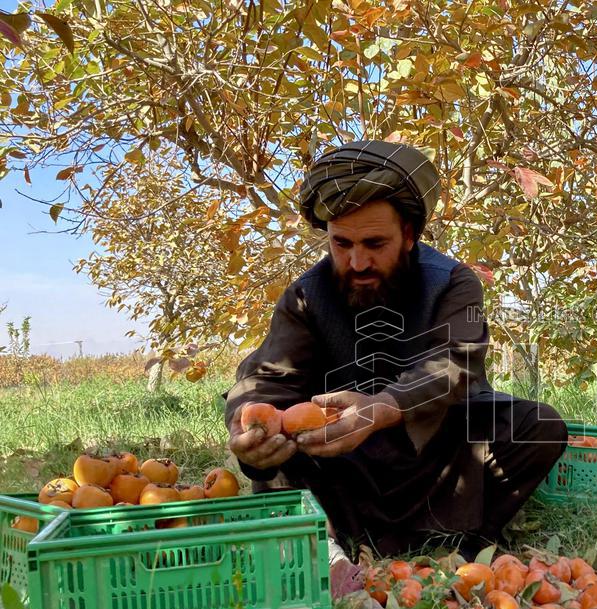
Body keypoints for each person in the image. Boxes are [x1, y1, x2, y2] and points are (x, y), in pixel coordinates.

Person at [223, 140, 567, 559]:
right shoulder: (306, 296)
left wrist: (381, 409)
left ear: (408, 235)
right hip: (342, 466)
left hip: (434, 453)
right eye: (342, 244)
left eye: (374, 243)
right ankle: (329, 545)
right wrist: (249, 429)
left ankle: (462, 540)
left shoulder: (455, 284)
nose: (357, 262)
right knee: (276, 439)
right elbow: (267, 378)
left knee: (538, 427)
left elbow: (456, 365)